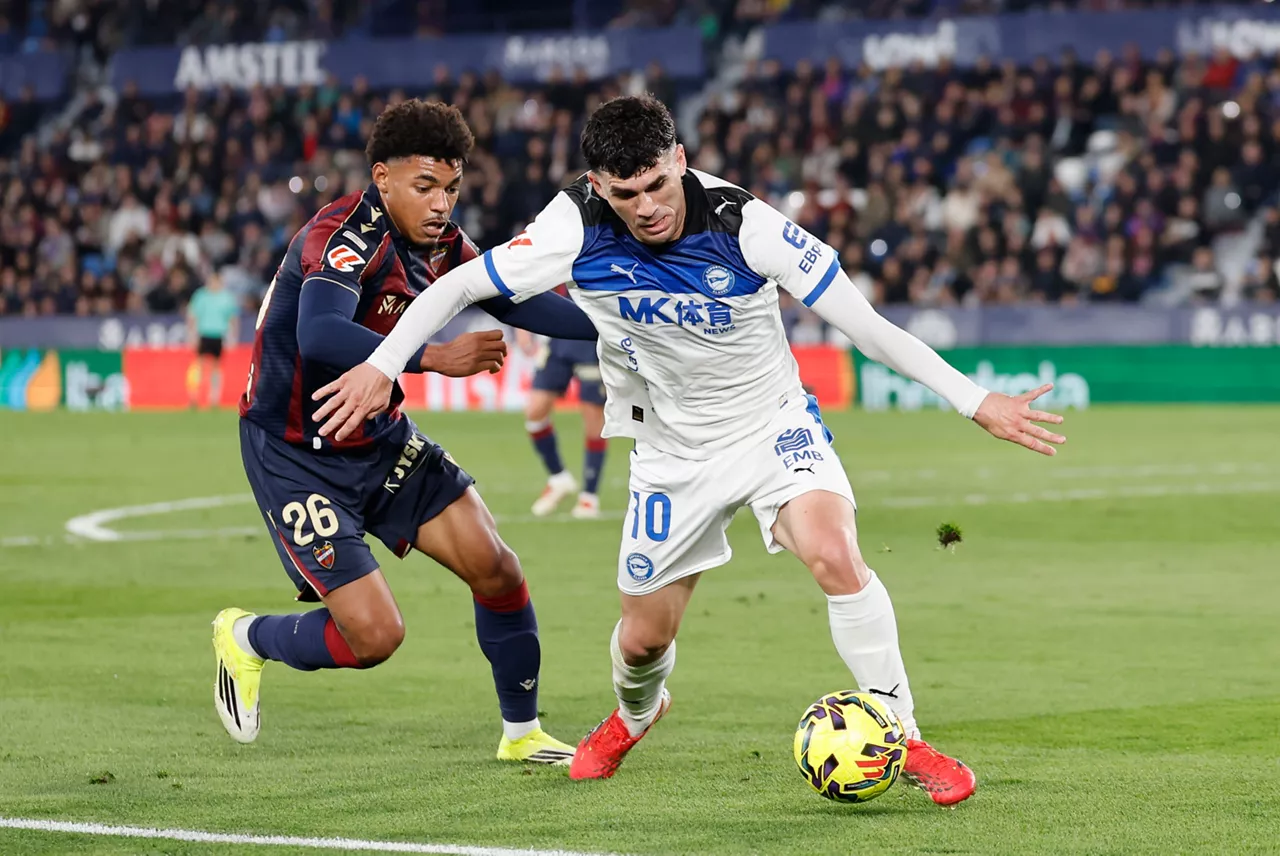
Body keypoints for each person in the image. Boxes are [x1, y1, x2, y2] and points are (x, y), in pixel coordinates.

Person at [309, 96, 1067, 804]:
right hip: (670, 451)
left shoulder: (748, 224)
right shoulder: (575, 223)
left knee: (837, 555)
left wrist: (975, 400)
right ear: (598, 185)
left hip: (771, 426)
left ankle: (906, 739)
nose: (645, 207)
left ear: (678, 158)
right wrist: (382, 366)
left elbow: (866, 325)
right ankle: (635, 715)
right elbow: (455, 290)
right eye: (624, 194)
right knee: (643, 641)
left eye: (654, 185)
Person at [213, 99, 598, 766]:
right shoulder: (342, 237)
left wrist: (625, 322)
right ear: (381, 176)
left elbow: (514, 298)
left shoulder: (444, 245)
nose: (441, 203)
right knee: (374, 637)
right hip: (296, 452)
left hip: (378, 436)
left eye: (451, 187)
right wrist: (432, 357)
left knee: (497, 569)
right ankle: (247, 638)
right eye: (425, 187)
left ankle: (522, 733)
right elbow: (320, 332)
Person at [519, 294, 609, 519]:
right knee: (535, 410)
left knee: (593, 418)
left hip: (592, 332)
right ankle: (559, 478)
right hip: (557, 333)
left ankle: (589, 496)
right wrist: (521, 326)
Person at [186, 271, 240, 409]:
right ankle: (194, 396)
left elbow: (233, 318)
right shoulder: (201, 295)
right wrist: (192, 334)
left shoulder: (226, 297)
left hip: (218, 335)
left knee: (216, 367)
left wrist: (233, 336)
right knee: (199, 365)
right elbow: (192, 316)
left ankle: (214, 398)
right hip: (204, 333)